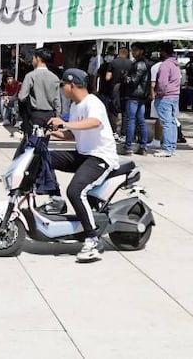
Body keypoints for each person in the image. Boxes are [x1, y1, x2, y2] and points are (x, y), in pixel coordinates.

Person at [45, 68, 119, 263]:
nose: (61, 89)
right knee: (45, 158)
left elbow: (94, 122)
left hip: (100, 158)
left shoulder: (92, 102)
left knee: (76, 191)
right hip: (84, 154)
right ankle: (54, 198)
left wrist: (66, 124)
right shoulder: (76, 106)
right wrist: (50, 132)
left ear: (71, 85)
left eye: (62, 85)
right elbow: (72, 135)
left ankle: (93, 239)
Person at [18, 48, 62, 141]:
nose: (32, 60)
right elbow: (57, 100)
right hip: (50, 116)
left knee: (32, 145)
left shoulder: (31, 76)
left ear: (38, 58)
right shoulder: (54, 77)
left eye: (33, 58)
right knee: (44, 144)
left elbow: (22, 97)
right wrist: (57, 118)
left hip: (35, 115)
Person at [120, 43, 151, 156]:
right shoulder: (145, 63)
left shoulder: (139, 64)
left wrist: (125, 76)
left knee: (131, 121)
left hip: (134, 96)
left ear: (141, 51)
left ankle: (128, 147)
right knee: (140, 121)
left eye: (135, 50)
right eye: (132, 50)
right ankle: (142, 147)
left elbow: (133, 81)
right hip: (141, 96)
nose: (133, 52)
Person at [153, 43, 181, 157]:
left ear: (163, 52)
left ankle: (167, 148)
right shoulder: (176, 65)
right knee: (172, 122)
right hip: (175, 95)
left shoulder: (165, 65)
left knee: (166, 123)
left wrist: (159, 93)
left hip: (165, 96)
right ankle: (172, 147)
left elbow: (162, 83)